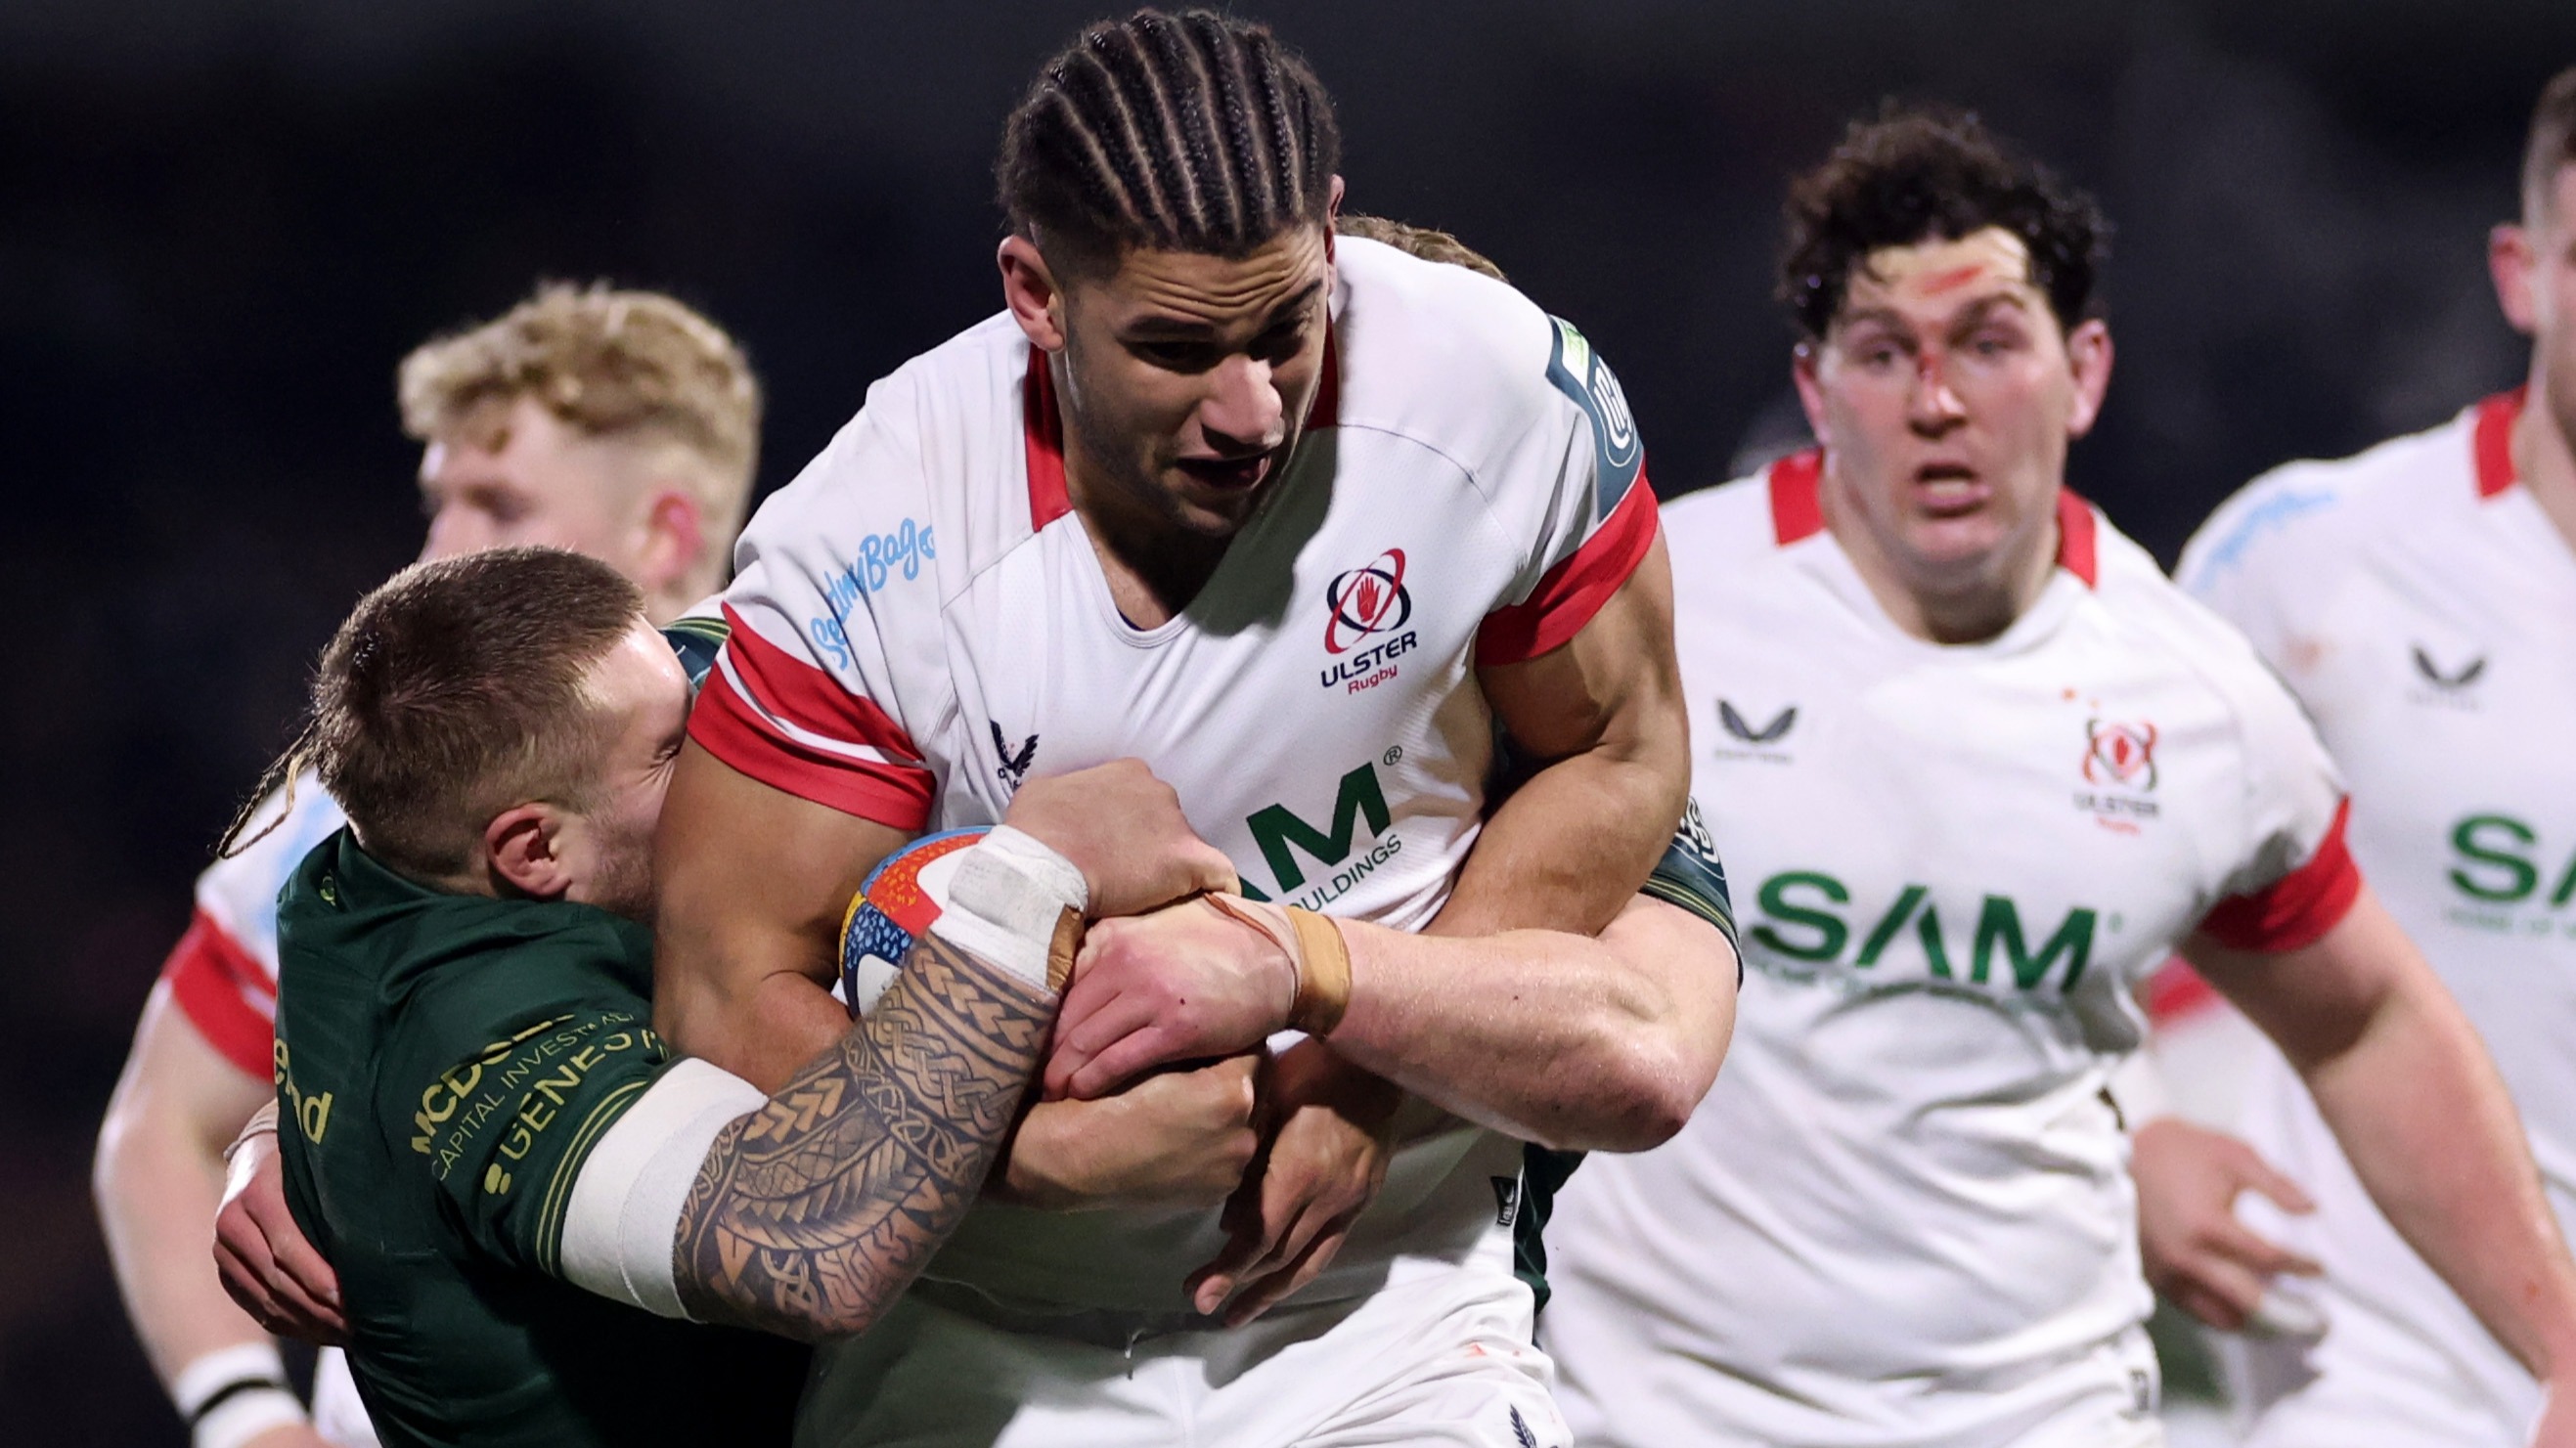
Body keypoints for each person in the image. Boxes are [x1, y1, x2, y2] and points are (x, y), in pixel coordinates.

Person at [654, 9, 1732, 1445]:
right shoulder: (875, 540)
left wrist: (1361, 1074)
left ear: (1331, 235)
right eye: (1175, 347)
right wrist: (1037, 1157)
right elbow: (724, 988)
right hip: (981, 1334)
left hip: (1386, 1311)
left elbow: (1617, 751)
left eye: (1286, 328)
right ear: (1036, 295)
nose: (1249, 410)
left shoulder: (1491, 391)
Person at [1536, 106, 2576, 1448]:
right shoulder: (1652, 611)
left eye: (1988, 344)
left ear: (2083, 373)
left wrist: (2560, 1347)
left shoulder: (2195, 698)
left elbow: (2363, 1019)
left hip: (2043, 1415)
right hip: (1660, 1417)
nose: (1938, 402)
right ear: (1816, 389)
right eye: (1883, 353)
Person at [257, 546, 1234, 1446]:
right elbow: (816, 1249)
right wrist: (1031, 878)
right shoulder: (473, 1038)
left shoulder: (452, 804)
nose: (730, 743)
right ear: (536, 849)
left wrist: (270, 1136)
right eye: (674, 748)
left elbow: (840, 596)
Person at [92, 283, 762, 1448]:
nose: (440, 545)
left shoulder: (822, 748)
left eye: (497, 501)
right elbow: (156, 1123)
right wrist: (245, 1414)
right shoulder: (342, 804)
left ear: (662, 532)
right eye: (436, 499)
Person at [2134, 65, 2576, 1446]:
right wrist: (2132, 1126)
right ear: (2520, 275)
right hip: (2381, 1368)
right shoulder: (2306, 558)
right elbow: (2070, 852)